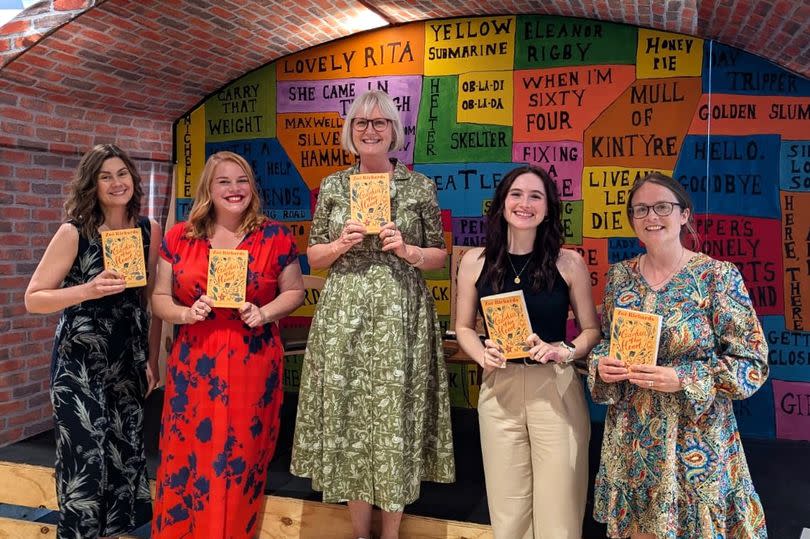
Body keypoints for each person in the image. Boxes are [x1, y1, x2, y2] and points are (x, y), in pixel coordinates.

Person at [290, 90, 455, 539]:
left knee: (392, 420)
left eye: (380, 123)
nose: (370, 131)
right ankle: (361, 533)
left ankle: (391, 533)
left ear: (394, 132)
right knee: (350, 418)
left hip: (401, 314)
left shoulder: (419, 186)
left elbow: (441, 255)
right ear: (350, 132)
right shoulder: (333, 186)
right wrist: (341, 243)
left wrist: (408, 249)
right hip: (345, 313)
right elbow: (314, 256)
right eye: (361, 123)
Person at [588, 172, 769, 538]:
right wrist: (601, 364)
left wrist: (683, 378)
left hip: (695, 440)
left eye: (662, 207)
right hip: (632, 439)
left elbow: (752, 363)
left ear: (683, 214)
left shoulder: (716, 277)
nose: (652, 217)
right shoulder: (620, 277)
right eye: (641, 209)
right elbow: (608, 341)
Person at [150, 151, 305, 538]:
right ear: (208, 188)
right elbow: (159, 298)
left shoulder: (275, 235)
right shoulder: (179, 237)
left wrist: (265, 312)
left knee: (240, 458)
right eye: (224, 181)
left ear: (252, 187)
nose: (234, 189)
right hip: (194, 361)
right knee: (187, 455)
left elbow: (295, 292)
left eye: (242, 181)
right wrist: (186, 314)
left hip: (252, 360)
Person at [454, 165, 600, 539]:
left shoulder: (569, 263)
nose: (524, 203)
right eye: (516, 194)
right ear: (502, 203)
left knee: (561, 508)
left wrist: (563, 351)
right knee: (508, 507)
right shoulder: (473, 261)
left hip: (554, 389)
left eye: (536, 196)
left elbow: (591, 331)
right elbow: (464, 328)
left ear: (548, 208)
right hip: (498, 389)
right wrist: (480, 353)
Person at [24, 143, 161, 538]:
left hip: (127, 358)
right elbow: (34, 298)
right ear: (92, 184)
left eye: (122, 174)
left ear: (134, 180)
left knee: (124, 454)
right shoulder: (74, 232)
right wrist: (87, 289)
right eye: (106, 176)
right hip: (79, 360)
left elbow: (150, 299)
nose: (117, 183)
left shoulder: (149, 230)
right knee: (83, 456)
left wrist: (152, 359)